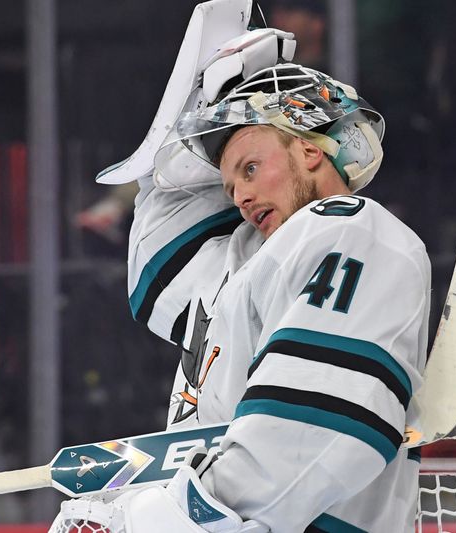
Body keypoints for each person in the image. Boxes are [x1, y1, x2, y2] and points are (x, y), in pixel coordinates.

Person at [91, 24, 432, 532]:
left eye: (251, 169)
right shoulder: (245, 261)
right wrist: (199, 99)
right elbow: (153, 270)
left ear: (311, 150)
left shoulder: (353, 230)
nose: (239, 196)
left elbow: (317, 429)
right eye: (228, 186)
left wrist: (192, 515)